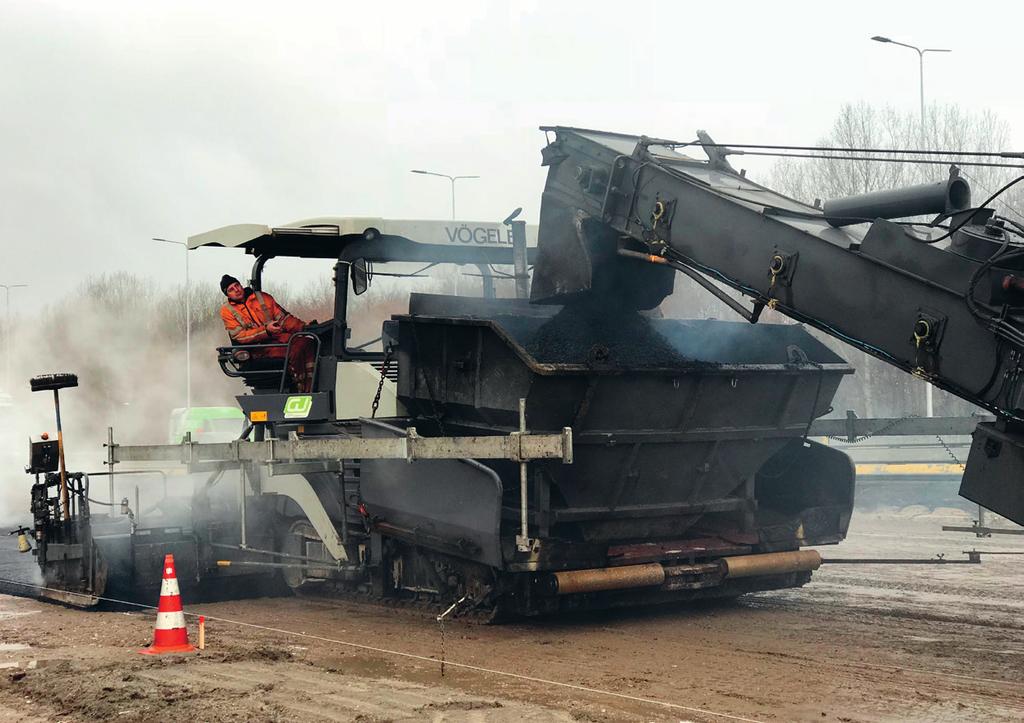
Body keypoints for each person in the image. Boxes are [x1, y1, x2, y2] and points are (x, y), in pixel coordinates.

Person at [219, 275, 316, 392]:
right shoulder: (227, 311)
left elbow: (284, 319)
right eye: (231, 289)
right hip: (259, 348)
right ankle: (301, 389)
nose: (237, 290)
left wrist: (305, 327)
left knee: (308, 342)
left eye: (237, 285)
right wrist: (266, 331)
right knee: (295, 351)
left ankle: (312, 385)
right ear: (227, 294)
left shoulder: (262, 297)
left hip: (280, 339)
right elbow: (240, 336)